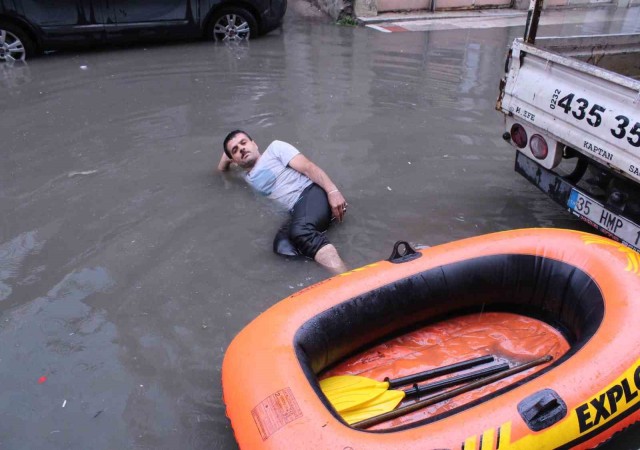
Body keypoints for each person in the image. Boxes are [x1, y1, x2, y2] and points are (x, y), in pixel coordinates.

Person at [218, 130, 348, 274]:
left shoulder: (275, 149)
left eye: (244, 143)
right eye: (235, 150)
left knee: (301, 232)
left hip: (311, 193)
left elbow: (308, 167)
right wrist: (227, 157)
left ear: (254, 144)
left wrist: (333, 192)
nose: (241, 148)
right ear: (234, 161)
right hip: (297, 211)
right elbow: (221, 172)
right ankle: (321, 263)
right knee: (282, 247)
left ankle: (346, 280)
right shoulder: (246, 178)